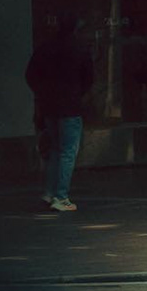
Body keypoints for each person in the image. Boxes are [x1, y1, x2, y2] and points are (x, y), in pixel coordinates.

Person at [28, 14, 95, 212]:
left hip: (50, 105)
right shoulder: (80, 48)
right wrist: (77, 93)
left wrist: (43, 93)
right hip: (70, 105)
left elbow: (30, 74)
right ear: (75, 28)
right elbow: (89, 77)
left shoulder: (45, 47)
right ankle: (61, 196)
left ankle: (49, 193)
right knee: (68, 151)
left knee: (55, 150)